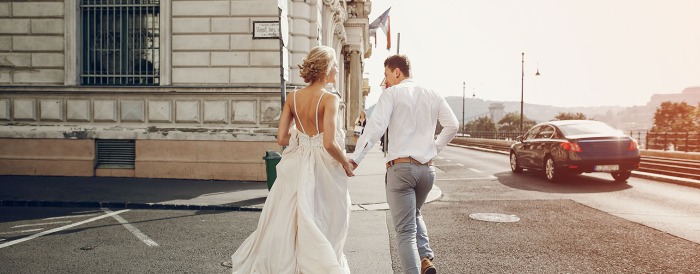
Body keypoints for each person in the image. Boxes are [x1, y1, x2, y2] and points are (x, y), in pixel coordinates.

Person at [230, 46, 355, 274]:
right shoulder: (330, 99)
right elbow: (328, 143)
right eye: (335, 64)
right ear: (326, 68)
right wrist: (346, 163)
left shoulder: (293, 97)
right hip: (322, 167)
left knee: (291, 217)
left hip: (296, 162)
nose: (337, 69)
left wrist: (301, 139)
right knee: (326, 215)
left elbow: (281, 137)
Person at [350, 55, 458, 274]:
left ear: (397, 72)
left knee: (405, 232)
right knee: (414, 214)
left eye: (387, 74)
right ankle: (425, 257)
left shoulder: (392, 94)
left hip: (401, 170)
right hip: (427, 170)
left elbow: (375, 128)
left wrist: (355, 159)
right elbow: (452, 126)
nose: (386, 80)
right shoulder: (433, 94)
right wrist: (433, 149)